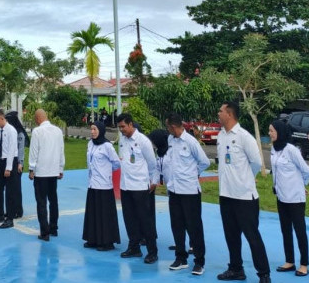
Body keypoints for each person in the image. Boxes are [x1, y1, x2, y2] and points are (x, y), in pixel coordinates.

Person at [216, 102, 271, 283]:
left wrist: (246, 179)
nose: (218, 113)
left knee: (252, 237)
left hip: (244, 197)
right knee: (231, 236)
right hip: (226, 195)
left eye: (221, 111)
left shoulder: (244, 136)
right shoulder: (221, 136)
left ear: (229, 114)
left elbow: (256, 163)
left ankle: (264, 274)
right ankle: (236, 269)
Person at [164, 113, 210, 276]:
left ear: (173, 126)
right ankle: (181, 258)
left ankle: (199, 262)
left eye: (168, 126)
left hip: (189, 191)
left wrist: (193, 173)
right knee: (177, 225)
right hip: (174, 190)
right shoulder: (171, 140)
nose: (167, 129)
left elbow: (205, 161)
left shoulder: (190, 142)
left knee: (194, 227)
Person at [269, 119, 309, 277]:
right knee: (285, 230)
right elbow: (275, 171)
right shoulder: (274, 149)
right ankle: (289, 261)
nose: (269, 133)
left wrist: (302, 185)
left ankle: (304, 264)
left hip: (295, 198)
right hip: (281, 197)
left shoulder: (291, 150)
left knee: (300, 231)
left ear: (279, 132)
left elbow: (306, 170)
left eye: (272, 130)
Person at [116, 113, 159, 264]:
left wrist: (154, 181)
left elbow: (153, 164)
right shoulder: (122, 140)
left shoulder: (143, 141)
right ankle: (134, 247)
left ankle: (152, 251)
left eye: (123, 127)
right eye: (119, 127)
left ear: (130, 124)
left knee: (145, 220)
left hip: (140, 186)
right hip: (125, 185)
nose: (121, 130)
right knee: (129, 219)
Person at [82, 122, 121, 251]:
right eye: (91, 129)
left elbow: (116, 163)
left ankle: (107, 242)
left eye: (95, 129)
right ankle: (93, 239)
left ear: (101, 130)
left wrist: (106, 172)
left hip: (104, 184)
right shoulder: (90, 144)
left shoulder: (107, 146)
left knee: (104, 214)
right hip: (92, 183)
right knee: (93, 212)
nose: (92, 132)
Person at [29, 108, 65, 241]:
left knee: (41, 202)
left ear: (38, 119)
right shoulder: (58, 130)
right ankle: (53, 228)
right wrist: (60, 168)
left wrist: (31, 168)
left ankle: (44, 232)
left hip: (41, 172)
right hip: (53, 171)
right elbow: (61, 150)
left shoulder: (37, 131)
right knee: (53, 200)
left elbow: (34, 151)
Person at [0, 109, 18, 229]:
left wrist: (9, 168)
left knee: (10, 192)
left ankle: (10, 218)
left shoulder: (11, 130)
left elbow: (12, 149)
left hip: (9, 161)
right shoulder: (0, 131)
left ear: (1, 118)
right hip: (1, 162)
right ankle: (0, 214)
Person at [5, 110, 28, 218]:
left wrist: (20, 163)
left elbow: (21, 150)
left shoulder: (20, 134)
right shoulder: (10, 131)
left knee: (16, 188)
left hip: (17, 163)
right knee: (10, 188)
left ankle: (18, 210)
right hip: (11, 162)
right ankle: (11, 209)